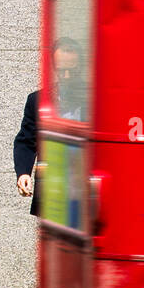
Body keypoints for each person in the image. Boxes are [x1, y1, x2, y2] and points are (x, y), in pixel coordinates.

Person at [15, 37, 83, 213]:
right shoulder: (37, 100)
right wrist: (23, 173)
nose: (66, 76)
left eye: (72, 71)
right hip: (53, 190)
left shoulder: (95, 99)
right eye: (62, 71)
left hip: (84, 187)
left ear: (80, 68)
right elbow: (26, 140)